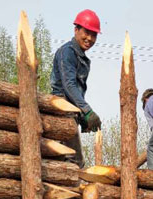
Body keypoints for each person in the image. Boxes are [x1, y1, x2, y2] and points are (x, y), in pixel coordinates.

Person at [50, 9, 102, 167]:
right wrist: (87, 111)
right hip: (61, 110)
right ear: (76, 30)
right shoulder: (68, 52)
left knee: (67, 159)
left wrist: (82, 118)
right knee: (74, 161)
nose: (90, 38)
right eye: (87, 32)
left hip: (71, 111)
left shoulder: (83, 59)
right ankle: (70, 191)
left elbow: (76, 92)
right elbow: (68, 86)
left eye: (94, 35)